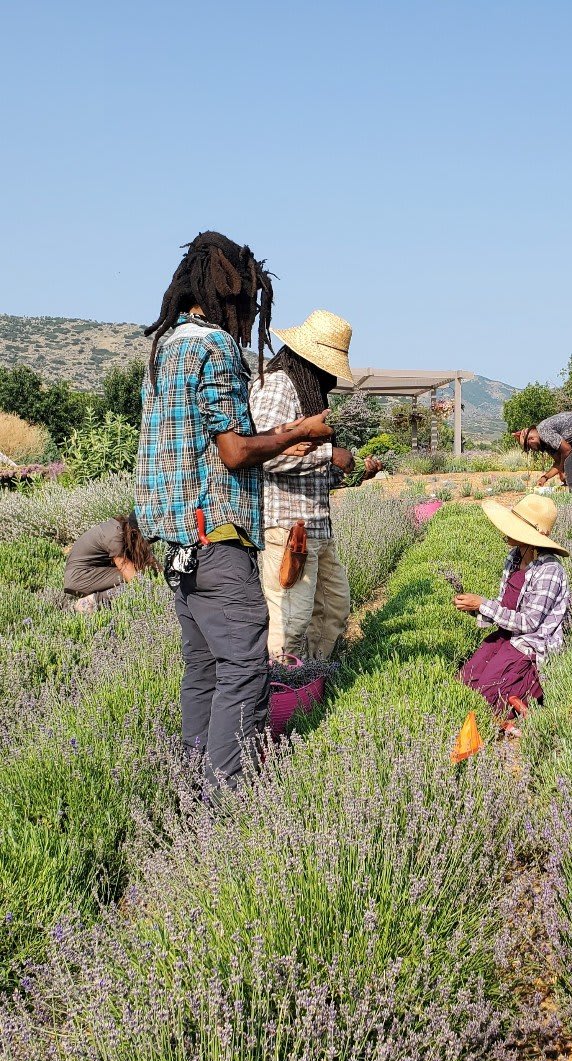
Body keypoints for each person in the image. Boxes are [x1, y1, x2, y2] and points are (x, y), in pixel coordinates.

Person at [135, 231, 333, 798]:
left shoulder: (168, 344)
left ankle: (190, 789)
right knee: (245, 664)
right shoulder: (216, 347)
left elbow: (201, 444)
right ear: (234, 294)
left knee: (204, 668)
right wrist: (300, 431)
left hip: (177, 541)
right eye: (250, 301)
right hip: (215, 536)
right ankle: (225, 801)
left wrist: (274, 441)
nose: (252, 315)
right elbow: (232, 451)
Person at [249, 310, 381, 661]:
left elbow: (310, 470)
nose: (330, 378)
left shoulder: (307, 391)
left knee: (332, 610)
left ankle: (313, 678)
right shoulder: (277, 386)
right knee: (290, 623)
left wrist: (353, 472)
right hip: (287, 530)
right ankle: (282, 699)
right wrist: (328, 454)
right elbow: (260, 456)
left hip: (316, 528)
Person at [453, 494, 570, 736]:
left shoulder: (550, 570)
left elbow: (528, 623)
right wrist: (475, 608)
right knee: (466, 682)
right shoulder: (514, 558)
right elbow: (504, 607)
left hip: (529, 645)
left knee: (488, 692)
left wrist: (483, 605)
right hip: (505, 635)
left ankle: (519, 717)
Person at [64, 513, 160, 613]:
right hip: (79, 577)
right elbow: (132, 576)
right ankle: (89, 603)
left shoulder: (121, 528)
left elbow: (151, 562)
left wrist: (161, 574)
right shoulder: (115, 537)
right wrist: (156, 589)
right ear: (137, 532)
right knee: (137, 580)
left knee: (144, 575)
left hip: (84, 574)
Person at [514, 410, 572, 499]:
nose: (532, 450)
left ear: (531, 439)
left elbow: (567, 450)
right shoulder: (545, 443)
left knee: (571, 466)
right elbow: (559, 462)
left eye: (529, 447)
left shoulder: (543, 431)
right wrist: (545, 478)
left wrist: (562, 472)